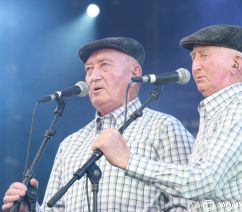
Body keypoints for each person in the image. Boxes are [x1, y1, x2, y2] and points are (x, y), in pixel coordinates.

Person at [89, 25, 242, 211]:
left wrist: (128, 160)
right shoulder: (221, 111)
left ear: (236, 63)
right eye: (193, 57)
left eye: (204, 56)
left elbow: (202, 181)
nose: (195, 66)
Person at [2, 37, 195, 211]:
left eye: (104, 66)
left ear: (135, 73)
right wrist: (30, 209)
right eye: (89, 69)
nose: (93, 76)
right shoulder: (70, 144)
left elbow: (192, 201)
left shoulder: (164, 128)